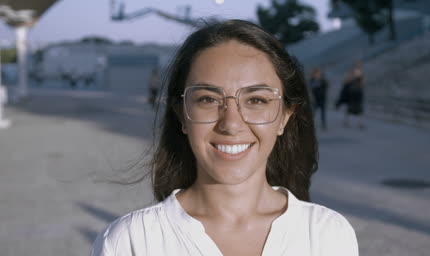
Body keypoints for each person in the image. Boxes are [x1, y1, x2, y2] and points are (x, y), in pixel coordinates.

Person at [91, 19, 358, 256]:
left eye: (256, 99)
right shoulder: (129, 243)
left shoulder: (328, 235)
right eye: (208, 99)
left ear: (285, 116)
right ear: (182, 114)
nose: (231, 124)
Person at [336, 60, 365, 129]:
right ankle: (346, 121)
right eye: (357, 65)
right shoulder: (351, 73)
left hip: (358, 92)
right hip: (351, 91)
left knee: (359, 108)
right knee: (350, 107)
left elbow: (363, 84)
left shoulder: (361, 73)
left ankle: (359, 123)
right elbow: (346, 81)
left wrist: (360, 80)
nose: (358, 66)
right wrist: (352, 77)